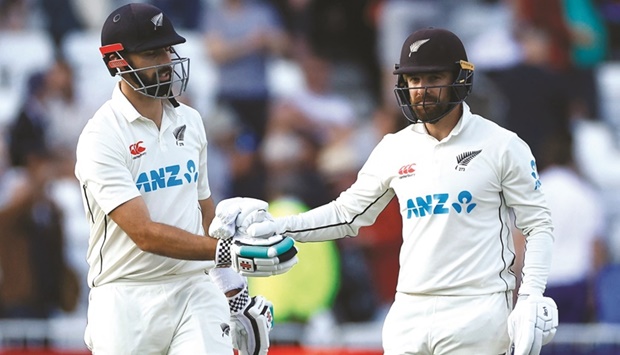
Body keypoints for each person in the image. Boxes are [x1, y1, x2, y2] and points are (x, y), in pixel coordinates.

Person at [222, 27, 559, 355]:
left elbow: (537, 224)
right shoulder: (394, 148)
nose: (421, 90)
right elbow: (347, 214)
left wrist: (530, 294)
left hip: (477, 308)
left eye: (433, 79)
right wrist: (281, 226)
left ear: (460, 78)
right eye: (414, 80)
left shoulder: (502, 145)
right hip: (409, 309)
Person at [73, 3, 296, 354]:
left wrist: (234, 292)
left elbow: (206, 217)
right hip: (126, 293)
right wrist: (233, 252)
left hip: (194, 287)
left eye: (168, 48)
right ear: (118, 61)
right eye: (152, 53)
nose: (166, 60)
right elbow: (144, 234)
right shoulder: (101, 135)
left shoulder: (190, 121)